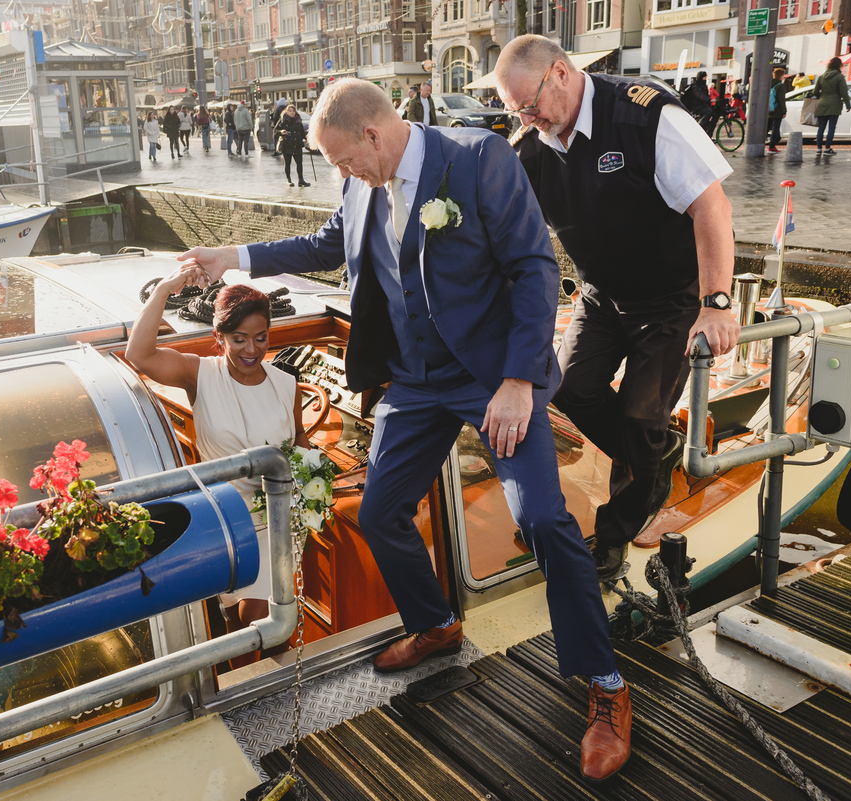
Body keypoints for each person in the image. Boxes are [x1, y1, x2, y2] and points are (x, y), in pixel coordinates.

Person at [179, 76, 628, 783]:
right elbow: (326, 243)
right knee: (382, 510)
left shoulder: (478, 161)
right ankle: (436, 623)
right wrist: (231, 257)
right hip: (417, 381)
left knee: (542, 518)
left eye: (342, 161)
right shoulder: (363, 182)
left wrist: (516, 382)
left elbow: (538, 270)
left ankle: (605, 686)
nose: (340, 175)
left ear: (373, 134)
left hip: (491, 378)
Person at [497, 36, 739, 591]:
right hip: (602, 294)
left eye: (529, 104)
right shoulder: (531, 146)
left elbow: (712, 207)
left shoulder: (644, 116)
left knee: (637, 415)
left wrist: (716, 303)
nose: (527, 119)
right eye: (516, 111)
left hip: (673, 296)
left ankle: (613, 534)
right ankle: (653, 455)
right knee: (566, 386)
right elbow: (501, 232)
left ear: (560, 72)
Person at [126, 270, 307, 665]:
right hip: (222, 520)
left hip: (275, 523)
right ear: (219, 338)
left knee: (252, 629)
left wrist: (314, 485)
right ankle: (260, 706)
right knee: (235, 626)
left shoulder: (286, 384)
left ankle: (263, 705)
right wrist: (163, 290)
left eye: (260, 338)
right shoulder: (199, 374)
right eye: (239, 339)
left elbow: (303, 449)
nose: (251, 350)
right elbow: (138, 355)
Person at [814, 56, 851, 155]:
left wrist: (821, 96)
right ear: (839, 65)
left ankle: (818, 149)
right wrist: (848, 105)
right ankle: (827, 148)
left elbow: (815, 92)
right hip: (834, 104)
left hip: (822, 104)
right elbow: (844, 92)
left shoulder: (821, 77)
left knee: (821, 127)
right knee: (831, 127)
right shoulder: (839, 77)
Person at [274, 103, 310, 187]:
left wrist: (308, 138)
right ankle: (288, 179)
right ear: (286, 112)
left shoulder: (298, 120)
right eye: (290, 111)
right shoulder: (283, 120)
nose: (292, 112)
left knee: (299, 163)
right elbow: (275, 131)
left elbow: (302, 132)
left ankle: (301, 180)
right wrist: (281, 132)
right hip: (287, 144)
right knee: (288, 163)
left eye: (293, 111)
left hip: (297, 144)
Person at [767, 68, 788, 154]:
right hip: (777, 110)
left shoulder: (769, 84)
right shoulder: (781, 86)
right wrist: (784, 111)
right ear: (781, 76)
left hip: (769, 109)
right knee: (775, 129)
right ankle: (771, 147)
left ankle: (771, 145)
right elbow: (781, 99)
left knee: (768, 128)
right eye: (783, 75)